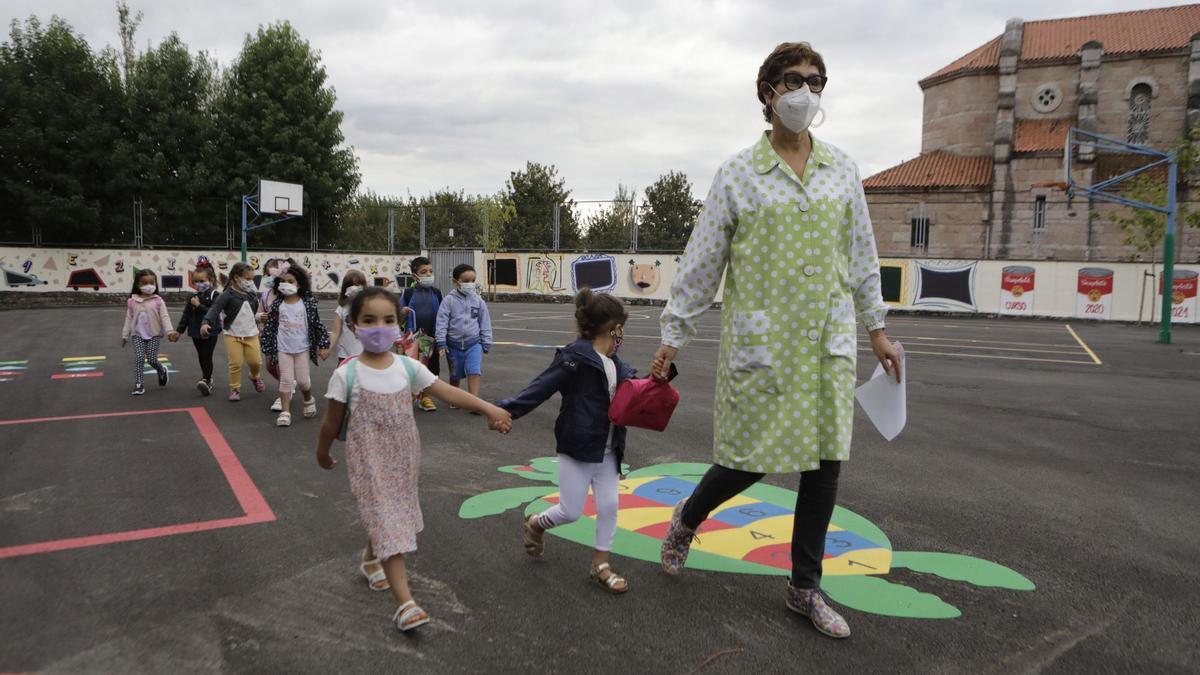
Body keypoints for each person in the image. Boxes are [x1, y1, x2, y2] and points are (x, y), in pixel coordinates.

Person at [650, 42, 902, 640]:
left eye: (816, 82)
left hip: (827, 342)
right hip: (764, 343)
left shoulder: (842, 168)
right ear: (767, 92)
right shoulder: (738, 174)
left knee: (825, 465)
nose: (805, 93)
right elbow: (703, 261)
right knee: (749, 458)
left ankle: (803, 587)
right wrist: (672, 336)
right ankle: (688, 516)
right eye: (793, 81)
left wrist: (878, 329)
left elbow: (862, 255)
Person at [315, 287, 513, 632]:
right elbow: (331, 421)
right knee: (389, 522)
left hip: (404, 458)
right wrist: (322, 452)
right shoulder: (345, 375)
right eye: (369, 320)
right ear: (354, 325)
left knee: (389, 515)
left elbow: (447, 391)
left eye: (388, 320)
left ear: (399, 324)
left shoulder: (407, 367)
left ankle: (369, 560)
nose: (380, 327)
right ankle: (405, 604)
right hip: (369, 463)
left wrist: (487, 407)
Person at [499, 288, 636, 593]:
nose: (621, 336)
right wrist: (504, 410)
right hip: (579, 445)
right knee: (570, 511)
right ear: (614, 327)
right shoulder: (574, 359)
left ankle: (601, 564)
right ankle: (537, 523)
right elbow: (540, 388)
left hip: (610, 447)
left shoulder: (618, 364)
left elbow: (637, 394)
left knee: (610, 506)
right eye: (621, 328)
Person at [260, 263, 331, 426]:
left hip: (302, 348)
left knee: (303, 381)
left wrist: (323, 345)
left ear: (299, 283)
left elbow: (317, 324)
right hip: (283, 348)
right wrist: (268, 347)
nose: (286, 284)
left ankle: (308, 399)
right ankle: (285, 412)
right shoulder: (278, 304)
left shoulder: (307, 302)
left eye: (290, 281)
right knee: (285, 379)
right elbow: (271, 326)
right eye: (283, 281)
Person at [202, 262, 265, 402]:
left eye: (252, 279)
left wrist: (260, 317)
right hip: (232, 334)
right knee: (236, 363)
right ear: (237, 278)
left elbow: (252, 313)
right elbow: (215, 309)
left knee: (256, 362)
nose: (250, 282)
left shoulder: (252, 295)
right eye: (248, 279)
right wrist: (206, 323)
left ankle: (255, 376)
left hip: (251, 334)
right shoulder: (227, 295)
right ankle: (235, 388)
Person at [435, 264, 492, 406]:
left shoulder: (478, 301)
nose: (470, 284)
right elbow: (441, 322)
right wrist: (441, 341)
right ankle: (455, 399)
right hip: (453, 346)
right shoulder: (449, 300)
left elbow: (485, 322)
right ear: (456, 282)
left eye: (473, 280)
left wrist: (486, 341)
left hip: (473, 344)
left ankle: (475, 402)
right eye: (466, 280)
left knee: (474, 371)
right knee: (455, 375)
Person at [121, 269, 178, 396]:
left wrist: (169, 331)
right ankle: (138, 384)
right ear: (138, 285)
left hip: (154, 335)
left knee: (152, 359)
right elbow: (128, 318)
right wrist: (125, 335)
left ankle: (162, 370)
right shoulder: (132, 301)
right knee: (139, 357)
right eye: (145, 283)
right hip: (137, 335)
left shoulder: (158, 301)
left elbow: (164, 317)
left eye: (152, 283)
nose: (149, 286)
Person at [401, 257, 444, 412]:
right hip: (412, 340)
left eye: (430, 271)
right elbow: (398, 317)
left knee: (431, 369)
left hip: (432, 338)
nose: (428, 275)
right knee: (411, 369)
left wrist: (442, 337)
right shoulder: (408, 293)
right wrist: (402, 313)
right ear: (415, 276)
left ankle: (426, 397)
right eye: (423, 272)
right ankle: (408, 396)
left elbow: (442, 316)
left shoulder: (437, 293)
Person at [173, 263, 220, 395]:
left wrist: (198, 306)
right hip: (195, 330)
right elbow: (186, 314)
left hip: (210, 330)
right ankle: (207, 376)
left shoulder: (215, 295)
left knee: (207, 355)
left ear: (211, 280)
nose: (199, 284)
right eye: (196, 281)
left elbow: (213, 312)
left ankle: (206, 379)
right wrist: (179, 331)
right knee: (201, 356)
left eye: (202, 281)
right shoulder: (193, 296)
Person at [259, 258, 286, 413]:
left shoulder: (287, 293)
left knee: (280, 365)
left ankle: (282, 395)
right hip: (269, 335)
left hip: (285, 336)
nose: (270, 277)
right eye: (267, 274)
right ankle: (288, 382)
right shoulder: (266, 295)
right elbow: (258, 312)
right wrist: (260, 317)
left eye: (272, 274)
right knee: (270, 366)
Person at [329, 270, 368, 361]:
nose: (355, 288)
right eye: (351, 285)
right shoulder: (342, 308)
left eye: (358, 285)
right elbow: (335, 331)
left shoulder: (369, 307)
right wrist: (328, 348)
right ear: (345, 289)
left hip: (365, 355)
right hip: (345, 355)